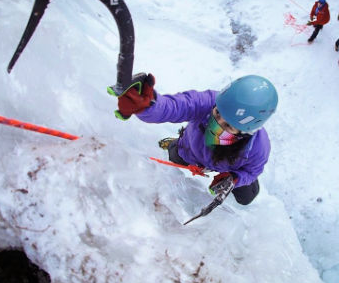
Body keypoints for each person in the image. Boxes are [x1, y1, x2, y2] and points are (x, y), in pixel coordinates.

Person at [116, 74, 278, 205]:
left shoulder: (259, 148)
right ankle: (175, 143)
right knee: (175, 155)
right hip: (191, 151)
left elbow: (251, 171)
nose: (217, 124)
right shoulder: (207, 102)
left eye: (228, 125)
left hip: (227, 167)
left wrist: (234, 179)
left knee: (247, 196)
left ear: (245, 132)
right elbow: (175, 106)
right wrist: (147, 106)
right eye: (218, 113)